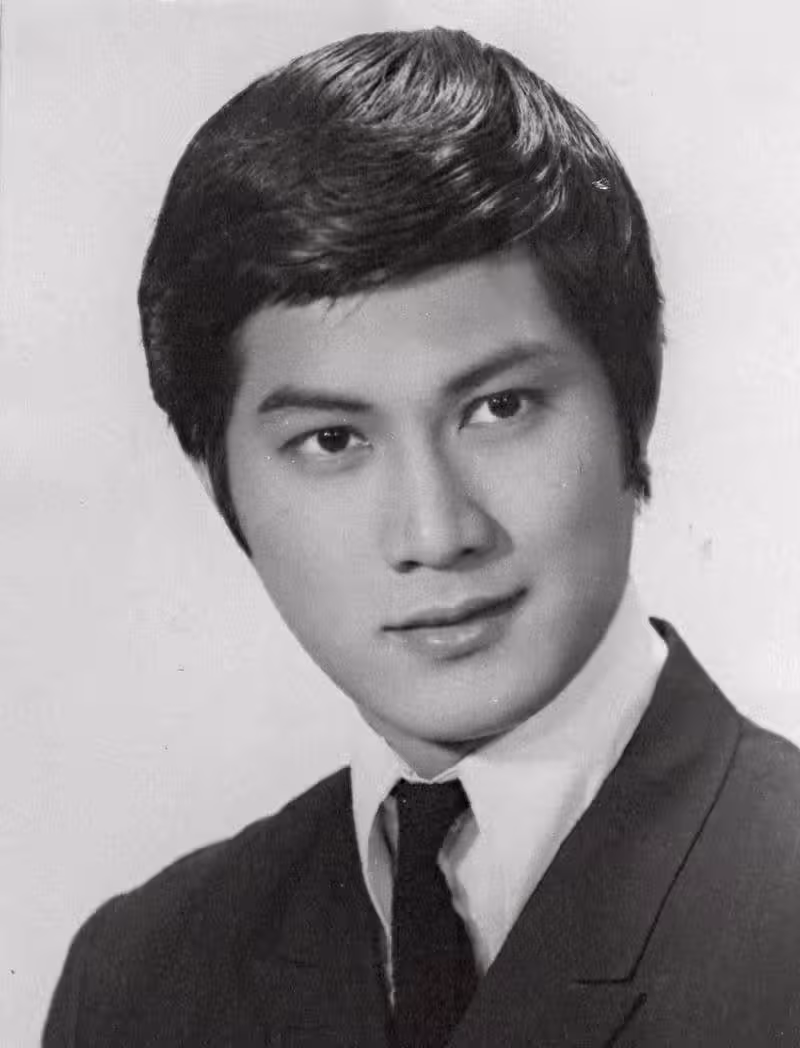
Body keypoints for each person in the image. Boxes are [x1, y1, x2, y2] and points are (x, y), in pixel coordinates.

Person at [44, 27, 800, 1048]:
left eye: (499, 408)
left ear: (634, 400)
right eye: (331, 440)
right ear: (216, 478)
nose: (436, 533)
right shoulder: (140, 978)